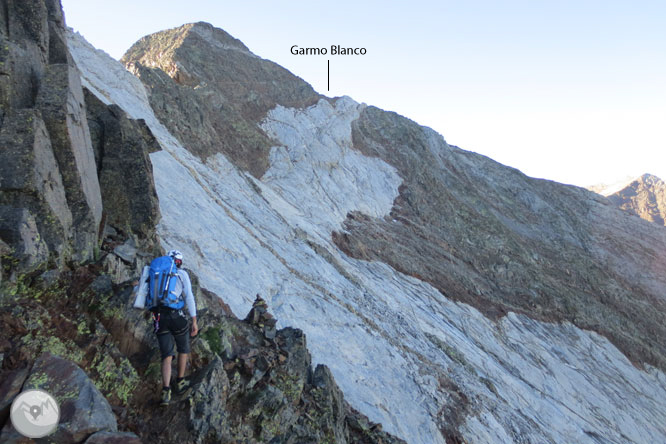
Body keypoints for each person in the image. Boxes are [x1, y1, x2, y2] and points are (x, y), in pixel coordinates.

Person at [148, 249, 198, 406]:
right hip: (176, 316)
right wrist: (194, 320)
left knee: (167, 355)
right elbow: (189, 296)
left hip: (159, 317)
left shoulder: (155, 273)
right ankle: (180, 381)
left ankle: (166, 391)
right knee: (183, 347)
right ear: (179, 262)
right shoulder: (181, 275)